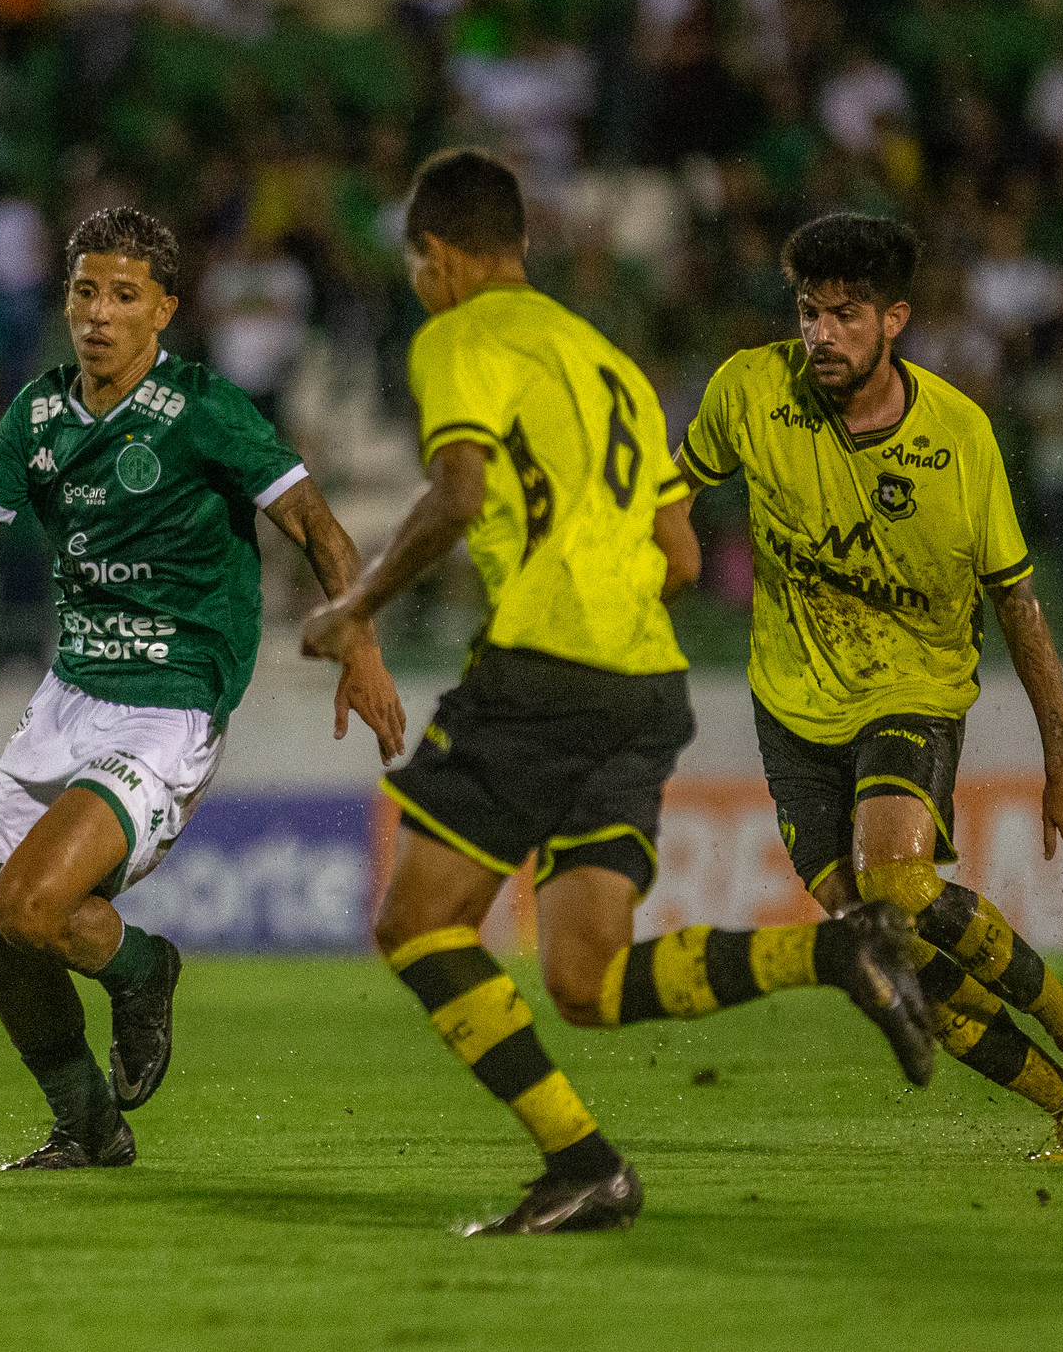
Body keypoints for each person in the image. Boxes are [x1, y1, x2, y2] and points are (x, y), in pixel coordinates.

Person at [301, 151, 934, 1237]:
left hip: (547, 667)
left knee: (417, 925)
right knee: (583, 979)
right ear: (524, 249)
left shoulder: (460, 336)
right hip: (644, 683)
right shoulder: (608, 363)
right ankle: (832, 947)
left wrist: (352, 604)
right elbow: (680, 555)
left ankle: (584, 1163)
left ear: (435, 258)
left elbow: (456, 493)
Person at [0, 207, 406, 1170]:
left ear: (163, 310)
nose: (99, 313)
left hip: (171, 701)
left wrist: (362, 647)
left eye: (124, 295)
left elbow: (322, 531)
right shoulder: (40, 413)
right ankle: (87, 1128)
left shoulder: (206, 409)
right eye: (86, 292)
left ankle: (145, 969)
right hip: (69, 696)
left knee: (34, 907)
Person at [675, 211, 1063, 1160]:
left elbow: (1019, 605)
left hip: (912, 687)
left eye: (847, 315)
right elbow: (668, 495)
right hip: (790, 705)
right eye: (809, 313)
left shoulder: (958, 437)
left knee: (897, 877)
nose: (821, 335)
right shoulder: (748, 392)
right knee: (877, 945)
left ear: (895, 320)